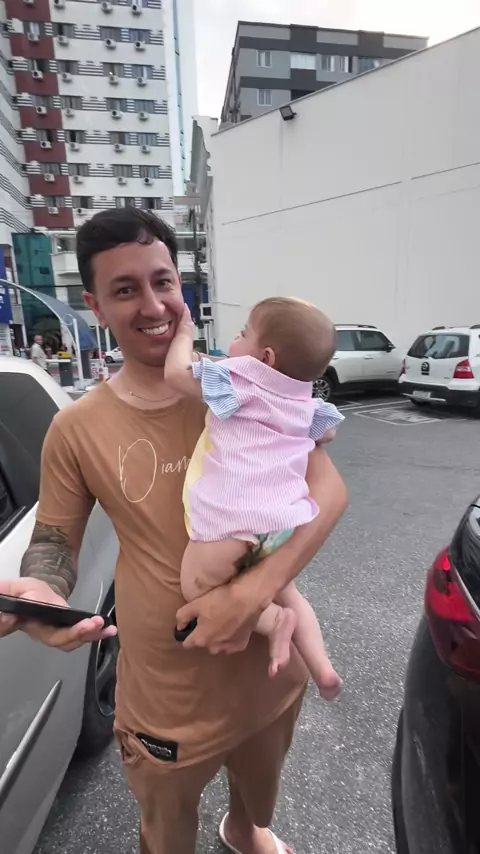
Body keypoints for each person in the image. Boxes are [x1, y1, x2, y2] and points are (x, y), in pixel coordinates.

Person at [0, 209, 348, 854]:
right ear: (95, 307)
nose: (154, 304)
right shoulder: (76, 429)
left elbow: (329, 493)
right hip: (167, 696)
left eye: (162, 281)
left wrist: (253, 593)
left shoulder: (240, 386)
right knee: (166, 826)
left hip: (273, 669)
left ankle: (243, 829)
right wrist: (44, 590)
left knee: (260, 790)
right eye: (125, 289)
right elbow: (52, 540)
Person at [165, 298, 343, 699]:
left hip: (235, 521)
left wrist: (184, 335)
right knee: (290, 591)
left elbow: (176, 374)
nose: (235, 338)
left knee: (195, 584)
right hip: (280, 525)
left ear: (265, 357)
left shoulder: (242, 379)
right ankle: (323, 669)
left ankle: (274, 621)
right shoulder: (303, 400)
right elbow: (327, 432)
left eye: (243, 333)